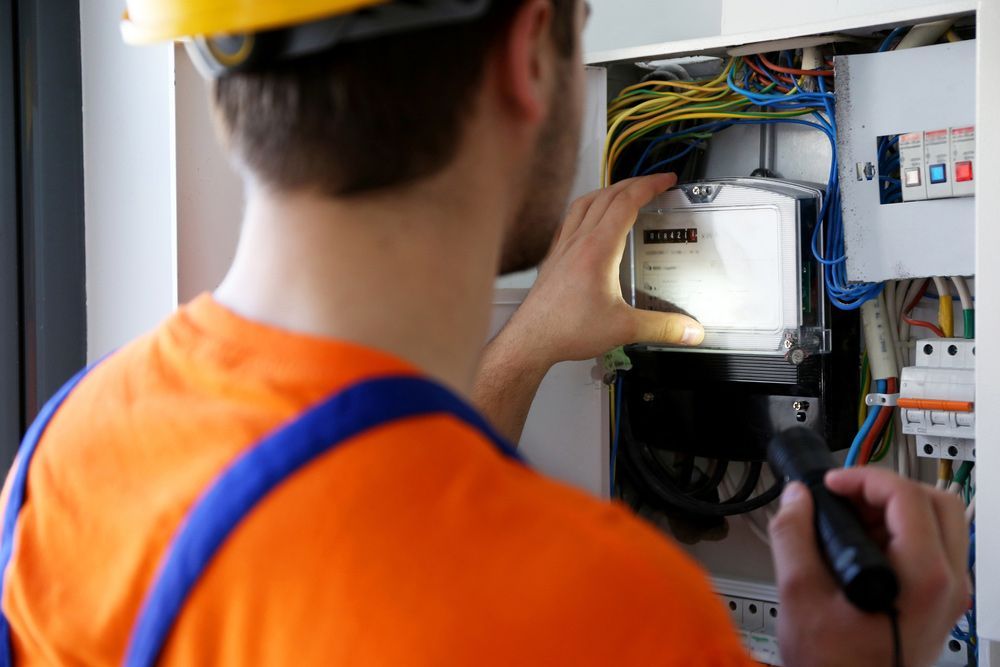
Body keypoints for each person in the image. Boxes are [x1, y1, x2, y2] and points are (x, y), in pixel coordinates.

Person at [0, 0, 969, 665]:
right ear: (526, 52)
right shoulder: (604, 602)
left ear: (221, 69)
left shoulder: (70, 445)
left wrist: (524, 348)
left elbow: (376, 501)